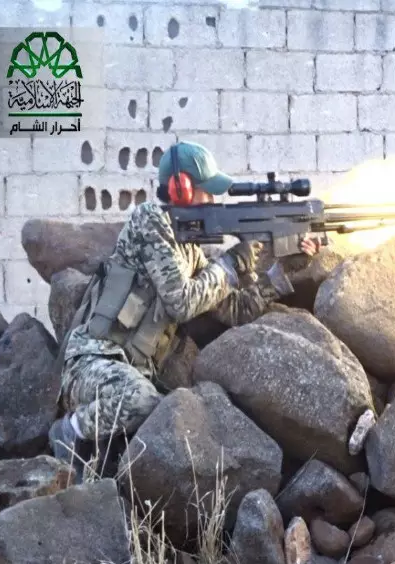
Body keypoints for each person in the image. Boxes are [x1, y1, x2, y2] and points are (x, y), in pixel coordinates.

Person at [48, 141, 323, 471]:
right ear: (181, 190)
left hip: (134, 372)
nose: (213, 201)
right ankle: (69, 432)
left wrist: (283, 270)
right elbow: (181, 302)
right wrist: (230, 264)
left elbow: (235, 310)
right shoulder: (150, 222)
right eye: (207, 192)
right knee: (142, 401)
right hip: (94, 359)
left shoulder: (191, 252)